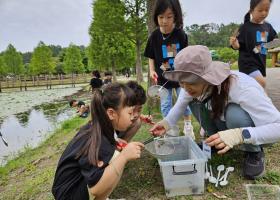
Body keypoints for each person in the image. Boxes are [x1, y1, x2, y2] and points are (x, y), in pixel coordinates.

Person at [150, 45, 280, 180]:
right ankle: (215, 143)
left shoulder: (242, 87)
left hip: (254, 131)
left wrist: (238, 135)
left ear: (208, 77)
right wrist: (166, 123)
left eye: (191, 81)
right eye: (182, 82)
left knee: (234, 113)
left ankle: (253, 152)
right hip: (226, 124)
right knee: (194, 102)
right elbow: (180, 105)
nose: (186, 87)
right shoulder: (189, 86)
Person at [52, 83, 144, 200]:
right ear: (111, 113)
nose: (133, 117)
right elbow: (95, 189)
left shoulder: (99, 127)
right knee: (117, 158)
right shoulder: (97, 139)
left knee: (115, 155)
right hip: (69, 194)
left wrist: (117, 144)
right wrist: (124, 157)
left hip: (72, 187)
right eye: (130, 113)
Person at [144, 0, 194, 138]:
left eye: (169, 17)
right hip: (163, 78)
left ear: (175, 17)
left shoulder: (181, 35)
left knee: (184, 101)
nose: (164, 21)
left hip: (180, 78)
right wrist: (152, 70)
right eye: (161, 17)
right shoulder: (154, 36)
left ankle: (188, 126)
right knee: (165, 104)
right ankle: (168, 127)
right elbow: (150, 56)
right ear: (156, 18)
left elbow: (185, 56)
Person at [229, 0, 278, 88]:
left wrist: (267, 45)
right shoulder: (245, 28)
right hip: (247, 64)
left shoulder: (268, 27)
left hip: (260, 63)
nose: (263, 13)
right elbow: (237, 46)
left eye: (266, 10)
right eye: (260, 10)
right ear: (251, 11)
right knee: (261, 83)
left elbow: (273, 42)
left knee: (257, 89)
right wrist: (235, 44)